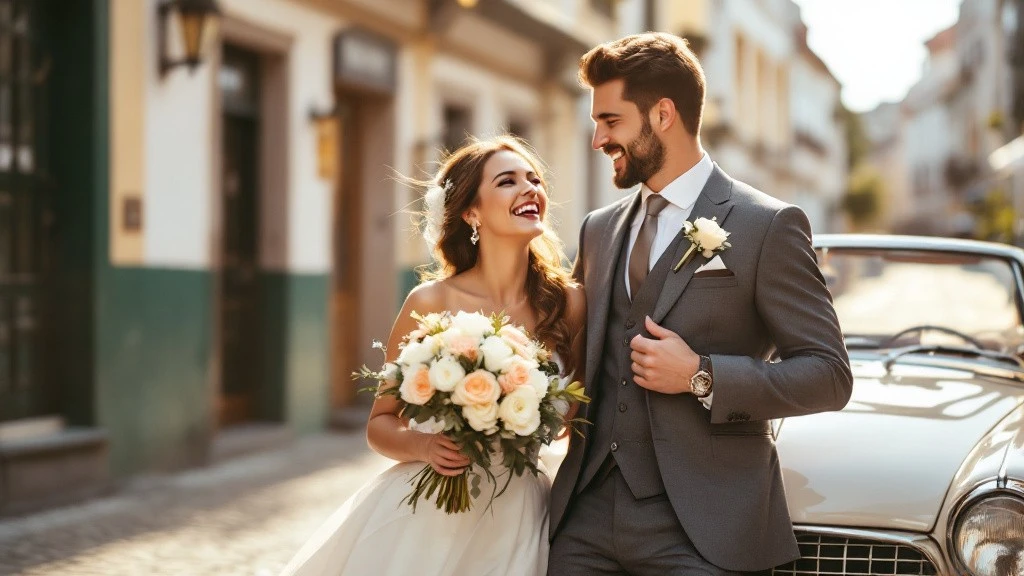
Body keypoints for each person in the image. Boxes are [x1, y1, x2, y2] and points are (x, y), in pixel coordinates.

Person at [547, 32, 853, 575]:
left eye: (611, 121)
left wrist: (701, 376)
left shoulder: (767, 225)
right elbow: (572, 348)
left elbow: (829, 375)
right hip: (584, 519)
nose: (597, 139)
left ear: (663, 114)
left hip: (701, 529)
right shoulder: (598, 229)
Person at [280, 135, 585, 576]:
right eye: (507, 181)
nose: (529, 188)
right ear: (471, 212)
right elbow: (380, 424)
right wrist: (424, 445)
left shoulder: (569, 305)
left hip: (519, 516)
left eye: (534, 179)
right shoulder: (430, 301)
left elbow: (575, 420)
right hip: (428, 515)